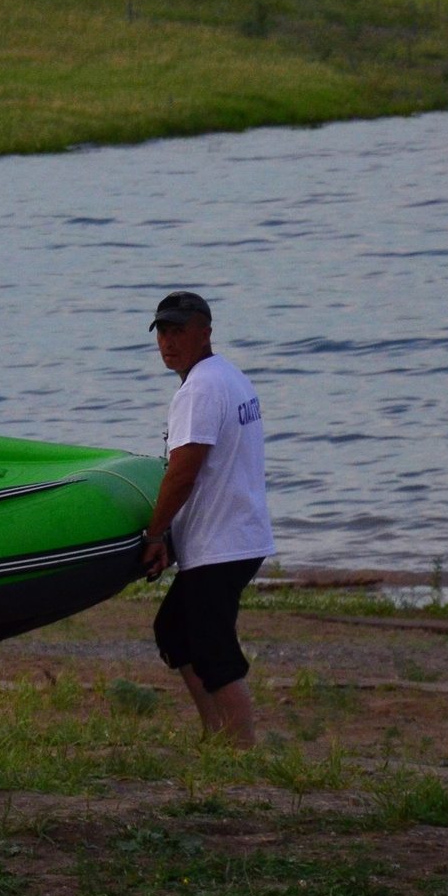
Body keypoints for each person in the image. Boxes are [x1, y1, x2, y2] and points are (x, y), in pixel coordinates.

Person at [141, 290, 273, 746]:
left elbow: (183, 472)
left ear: (206, 333)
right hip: (237, 533)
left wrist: (156, 533)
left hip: (223, 543)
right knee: (174, 630)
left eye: (180, 331)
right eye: (163, 332)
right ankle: (217, 737)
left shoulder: (199, 388)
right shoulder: (230, 377)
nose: (169, 342)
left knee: (213, 649)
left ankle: (240, 750)